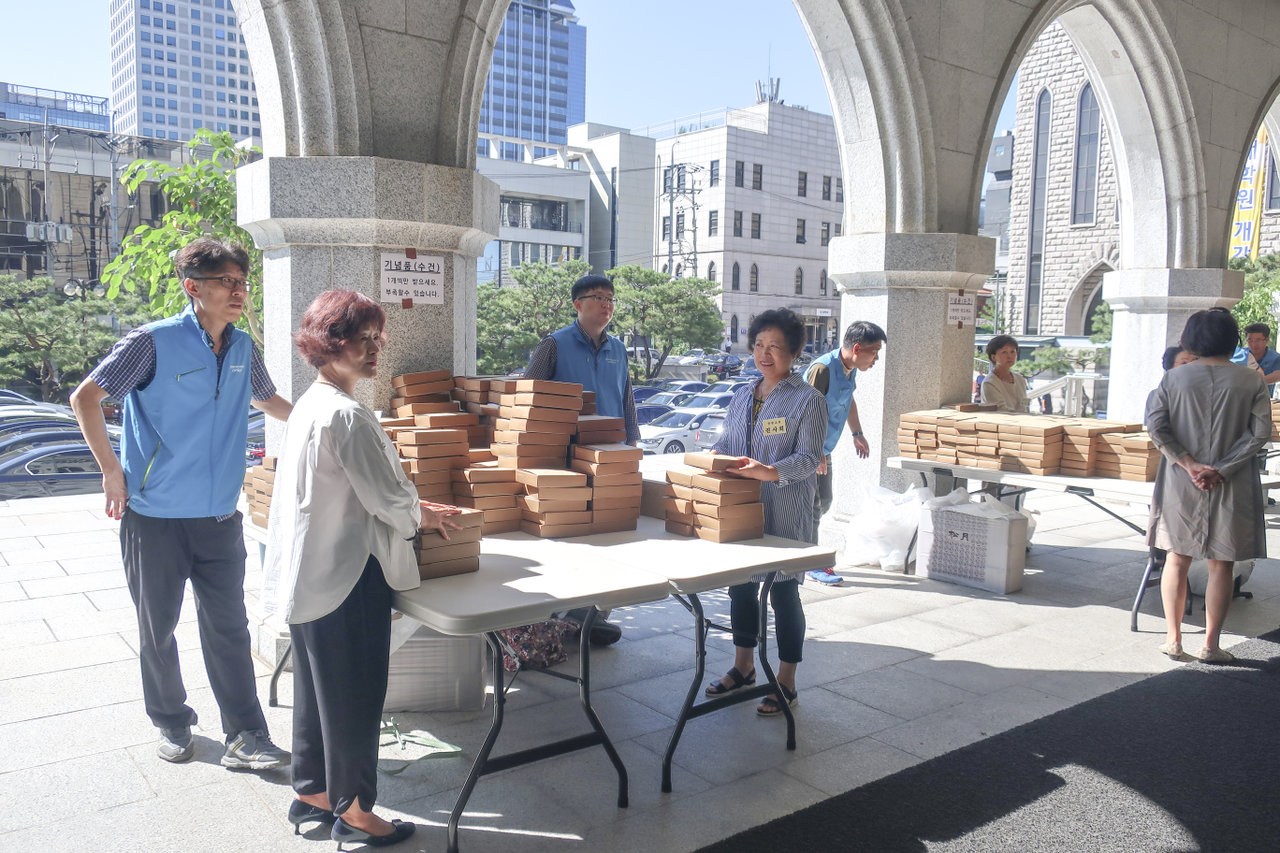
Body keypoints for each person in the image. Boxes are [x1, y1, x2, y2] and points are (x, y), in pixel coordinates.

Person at [70, 238, 292, 769]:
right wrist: (111, 471)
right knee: (158, 628)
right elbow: (86, 398)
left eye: (243, 282)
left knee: (230, 629)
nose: (239, 292)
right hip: (155, 517)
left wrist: (329, 417)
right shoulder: (152, 342)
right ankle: (171, 720)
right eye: (227, 282)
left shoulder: (242, 347)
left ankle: (246, 735)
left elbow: (267, 399)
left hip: (219, 515)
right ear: (193, 286)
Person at [265, 289, 458, 847]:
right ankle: (355, 813)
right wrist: (421, 512)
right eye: (360, 338)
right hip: (349, 575)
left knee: (318, 693)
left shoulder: (310, 403)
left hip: (312, 573)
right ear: (328, 342)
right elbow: (388, 499)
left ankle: (313, 794)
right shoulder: (347, 414)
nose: (374, 348)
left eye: (377, 337)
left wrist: (412, 504)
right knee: (354, 695)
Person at [705, 308, 827, 715]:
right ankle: (743, 667)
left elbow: (809, 458)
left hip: (786, 511)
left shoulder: (808, 399)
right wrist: (715, 458)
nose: (764, 354)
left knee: (783, 591)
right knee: (740, 586)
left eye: (775, 346)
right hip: (742, 509)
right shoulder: (742, 394)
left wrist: (770, 472)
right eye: (759, 344)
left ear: (794, 351)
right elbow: (727, 445)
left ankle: (786, 680)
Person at [1146, 309, 1271, 664]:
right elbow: (1260, 433)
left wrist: (1189, 464)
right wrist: (1221, 469)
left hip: (1182, 480)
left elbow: (1156, 427)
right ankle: (1211, 645)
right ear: (1232, 339)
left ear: (1191, 339)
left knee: (1176, 558)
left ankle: (1173, 640)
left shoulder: (1173, 379)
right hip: (1232, 481)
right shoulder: (1251, 381)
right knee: (1222, 564)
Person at [524, 273, 637, 645]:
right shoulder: (554, 344)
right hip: (566, 456)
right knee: (571, 534)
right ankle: (567, 614)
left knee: (609, 533)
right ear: (578, 304)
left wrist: (632, 441)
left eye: (611, 298)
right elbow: (528, 396)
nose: (606, 304)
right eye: (598, 297)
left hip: (610, 455)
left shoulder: (618, 348)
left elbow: (626, 396)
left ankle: (595, 615)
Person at [802, 320, 887, 585]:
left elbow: (848, 400)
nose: (876, 359)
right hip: (806, 448)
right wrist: (814, 450)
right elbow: (807, 411)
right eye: (874, 352)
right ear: (857, 348)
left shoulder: (850, 369)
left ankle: (804, 554)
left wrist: (857, 433)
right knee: (813, 506)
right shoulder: (823, 369)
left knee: (824, 502)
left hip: (823, 448)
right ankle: (810, 563)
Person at [979, 335, 1030, 412]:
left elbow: (1025, 405)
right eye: (1004, 352)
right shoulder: (989, 383)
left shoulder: (1020, 378)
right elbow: (1001, 410)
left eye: (1012, 352)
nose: (1010, 356)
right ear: (993, 357)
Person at [1230, 321, 1280, 391]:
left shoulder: (1275, 358)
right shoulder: (1239, 355)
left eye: (1258, 340)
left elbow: (1277, 375)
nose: (1254, 344)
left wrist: (1249, 383)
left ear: (1267, 340)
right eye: (1250, 340)